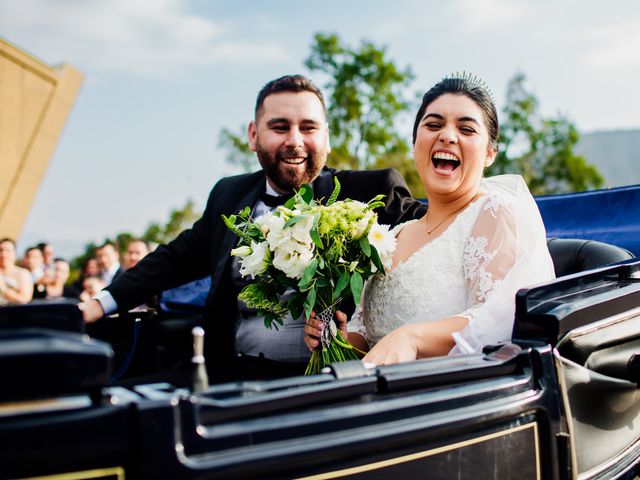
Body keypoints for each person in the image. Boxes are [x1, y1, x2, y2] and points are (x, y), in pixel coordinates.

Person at [81, 74, 427, 381]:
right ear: (253, 135)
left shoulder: (370, 191)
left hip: (328, 382)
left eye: (308, 128)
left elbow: (437, 227)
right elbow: (174, 259)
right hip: (230, 375)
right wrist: (100, 304)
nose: (294, 140)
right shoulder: (228, 194)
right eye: (280, 127)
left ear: (327, 137)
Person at [305, 74, 555, 365]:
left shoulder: (496, 213)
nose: (447, 136)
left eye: (466, 129)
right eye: (433, 125)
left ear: (490, 153)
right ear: (415, 144)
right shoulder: (394, 234)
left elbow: (496, 324)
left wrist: (411, 339)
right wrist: (336, 340)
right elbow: (369, 340)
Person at [0, 238, 34, 305]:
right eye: (0, 250)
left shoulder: (23, 273)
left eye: (8, 250)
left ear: (14, 253)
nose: (4, 254)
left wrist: (3, 288)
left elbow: (24, 300)